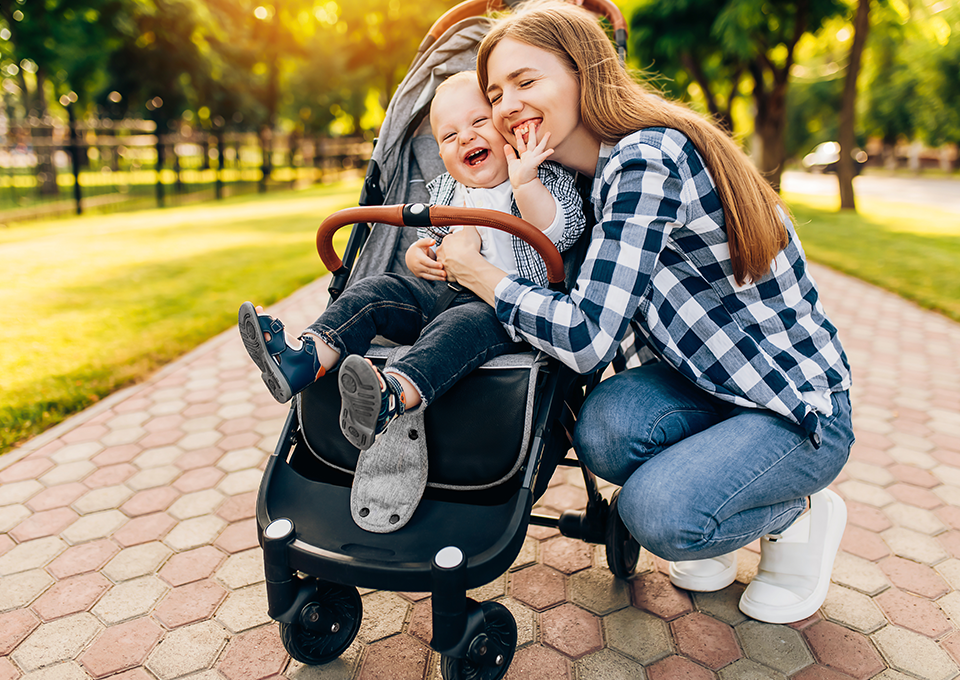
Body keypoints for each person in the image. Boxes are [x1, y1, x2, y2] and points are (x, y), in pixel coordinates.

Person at [435, 1, 854, 624]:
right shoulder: (564, 178)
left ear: (585, 72)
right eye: (496, 93)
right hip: (705, 384)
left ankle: (802, 510)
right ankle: (718, 494)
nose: (505, 107)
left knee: (657, 514)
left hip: (791, 404)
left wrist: (482, 276)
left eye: (527, 82)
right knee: (602, 427)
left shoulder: (645, 158)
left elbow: (584, 337)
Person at [239, 70, 585, 451]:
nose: (465, 137)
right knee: (375, 290)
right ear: (441, 156)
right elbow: (429, 243)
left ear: (508, 126)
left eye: (479, 122)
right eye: (450, 136)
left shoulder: (540, 175)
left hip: (502, 313)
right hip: (438, 297)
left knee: (462, 322)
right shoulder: (447, 192)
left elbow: (560, 232)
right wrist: (416, 255)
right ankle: (305, 358)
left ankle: (393, 394)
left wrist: (525, 183)